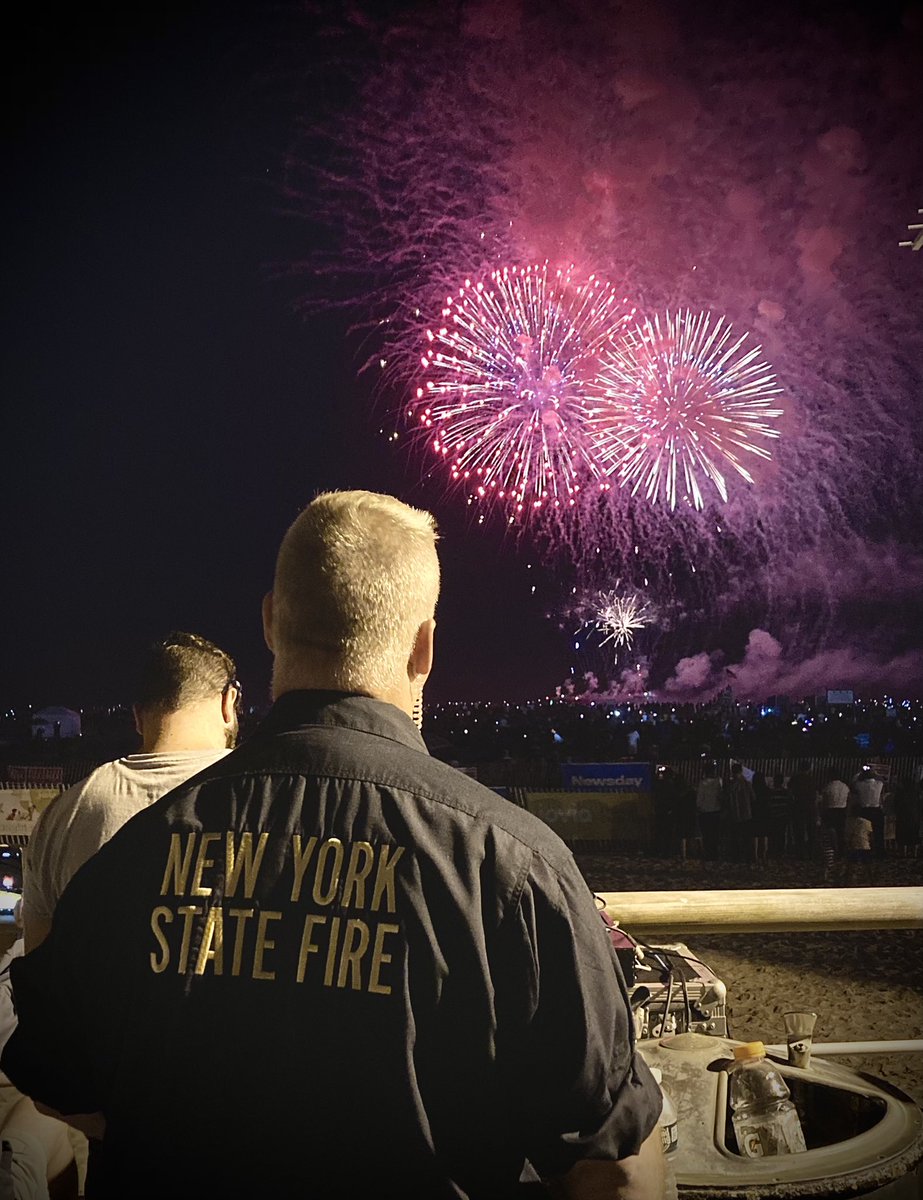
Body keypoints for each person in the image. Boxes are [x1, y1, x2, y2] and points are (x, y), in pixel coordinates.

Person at [4, 491, 664, 1200]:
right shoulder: (510, 864)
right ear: (424, 646)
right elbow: (615, 1168)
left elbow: (56, 1083)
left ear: (269, 621)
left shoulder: (135, 851)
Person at [22, 631, 238, 952]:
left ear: (138, 717)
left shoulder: (65, 812)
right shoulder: (267, 796)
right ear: (228, 702)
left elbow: (37, 959)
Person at [850, 766, 885, 860]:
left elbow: (853, 782)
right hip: (876, 810)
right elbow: (882, 779)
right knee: (878, 833)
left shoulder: (859, 784)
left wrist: (859, 773)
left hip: (864, 811)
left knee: (863, 833)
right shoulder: (879, 784)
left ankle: (865, 852)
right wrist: (876, 773)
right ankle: (880, 853)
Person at [726, 763, 754, 862]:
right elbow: (753, 797)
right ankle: (748, 856)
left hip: (734, 813)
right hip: (746, 813)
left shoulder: (730, 785)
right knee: (747, 837)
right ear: (741, 771)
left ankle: (736, 856)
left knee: (735, 837)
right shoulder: (747, 783)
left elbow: (726, 798)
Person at [695, 761, 723, 860]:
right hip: (716, 811)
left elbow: (699, 799)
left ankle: (708, 853)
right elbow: (720, 795)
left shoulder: (702, 783)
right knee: (715, 834)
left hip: (705, 812)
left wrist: (699, 807)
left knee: (706, 834)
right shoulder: (718, 781)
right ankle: (715, 853)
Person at [819, 774, 849, 858]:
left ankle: (831, 851)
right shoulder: (845, 786)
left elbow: (824, 800)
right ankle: (841, 852)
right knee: (841, 832)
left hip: (830, 810)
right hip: (842, 810)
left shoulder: (828, 786)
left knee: (830, 832)